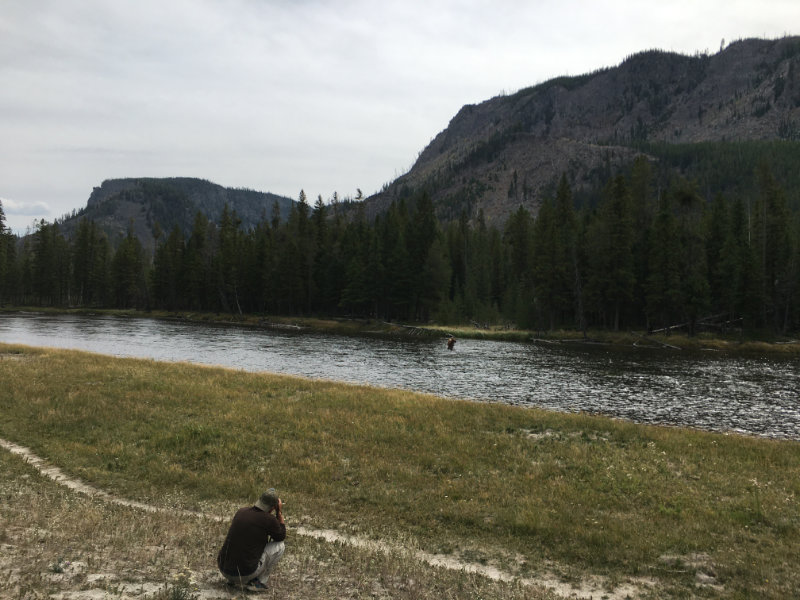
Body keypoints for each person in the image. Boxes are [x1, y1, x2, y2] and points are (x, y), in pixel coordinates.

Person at [217, 489, 286, 592]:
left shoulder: (241, 511)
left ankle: (231, 580)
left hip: (223, 569)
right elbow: (281, 536)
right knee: (280, 546)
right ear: (273, 507)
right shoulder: (269, 519)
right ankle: (258, 582)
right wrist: (279, 512)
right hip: (245, 574)